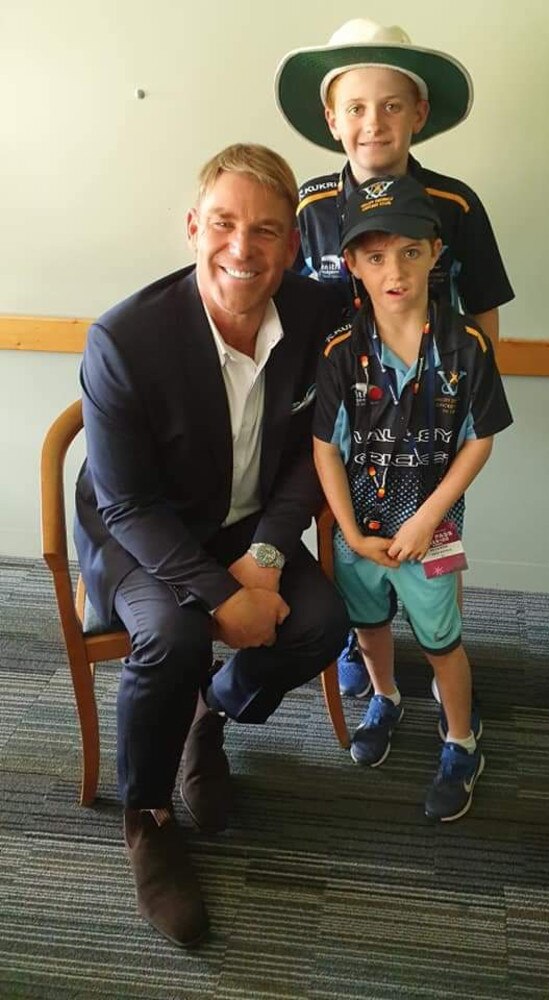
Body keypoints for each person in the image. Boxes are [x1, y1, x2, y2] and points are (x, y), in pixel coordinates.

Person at [74, 143, 349, 948]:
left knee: (321, 624)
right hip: (142, 526)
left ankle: (211, 716)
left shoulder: (316, 315)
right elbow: (126, 502)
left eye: (266, 231)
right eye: (224, 224)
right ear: (194, 228)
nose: (243, 248)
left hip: (243, 519)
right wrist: (226, 596)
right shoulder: (125, 338)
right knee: (176, 633)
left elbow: (313, 449)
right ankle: (149, 817)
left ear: (292, 246)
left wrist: (264, 556)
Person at [275, 18, 514, 699]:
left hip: (428, 418)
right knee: (351, 541)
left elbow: (484, 305)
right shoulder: (312, 206)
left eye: (390, 105)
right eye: (355, 107)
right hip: (338, 411)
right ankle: (361, 636)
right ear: (332, 120)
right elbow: (287, 311)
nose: (372, 123)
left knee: (432, 533)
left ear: (419, 114)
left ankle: (445, 653)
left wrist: (469, 400)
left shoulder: (454, 205)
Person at [313, 174, 513, 821]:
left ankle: (461, 739)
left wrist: (428, 518)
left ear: (434, 252)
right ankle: (387, 699)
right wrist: (350, 531)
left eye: (408, 251)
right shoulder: (342, 352)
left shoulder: (467, 346)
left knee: (440, 640)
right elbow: (326, 450)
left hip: (432, 530)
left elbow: (479, 442)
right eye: (374, 256)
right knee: (370, 630)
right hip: (362, 533)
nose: (392, 269)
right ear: (352, 266)